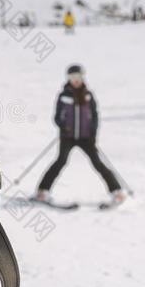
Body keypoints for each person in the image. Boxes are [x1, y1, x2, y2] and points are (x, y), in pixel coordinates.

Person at [35, 65, 125, 204]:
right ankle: (42, 191)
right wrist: (63, 127)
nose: (75, 80)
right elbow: (57, 116)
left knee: (98, 163)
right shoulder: (63, 95)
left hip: (86, 137)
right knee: (60, 161)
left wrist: (93, 133)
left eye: (78, 77)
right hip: (68, 137)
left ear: (82, 77)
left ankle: (117, 191)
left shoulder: (88, 95)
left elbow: (95, 115)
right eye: (72, 78)